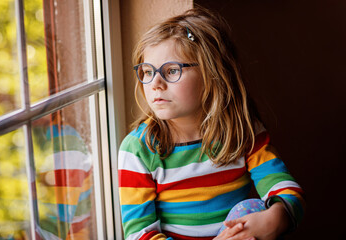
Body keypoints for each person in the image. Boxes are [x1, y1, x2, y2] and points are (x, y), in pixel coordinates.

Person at [118, 6, 304, 240]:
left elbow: (284, 188)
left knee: (257, 209)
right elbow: (139, 235)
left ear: (211, 75)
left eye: (172, 70)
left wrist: (277, 217)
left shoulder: (242, 130)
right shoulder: (138, 150)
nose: (155, 83)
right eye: (146, 72)